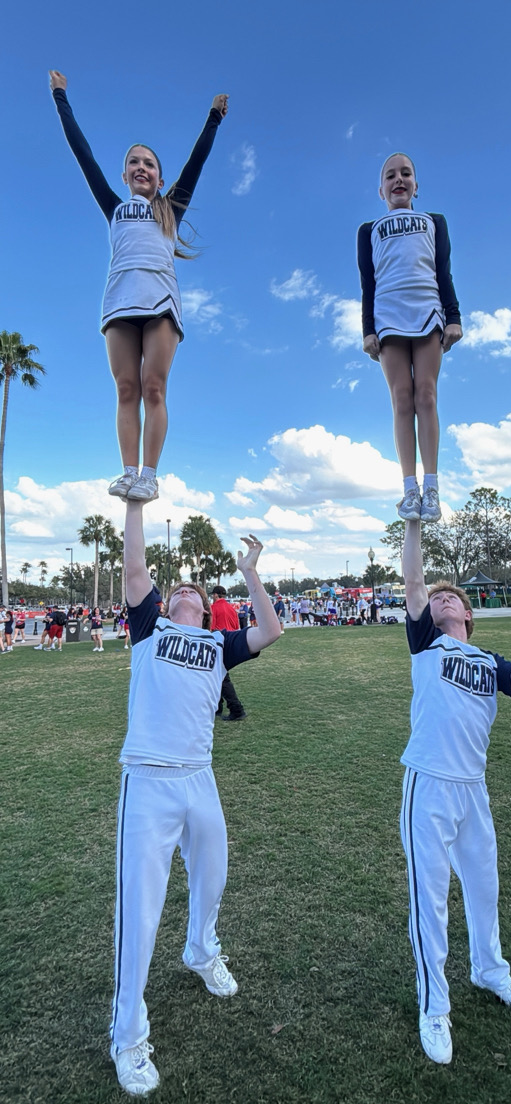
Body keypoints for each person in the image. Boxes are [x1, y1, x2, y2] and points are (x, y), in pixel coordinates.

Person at [109, 502, 280, 1095]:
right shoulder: (150, 628)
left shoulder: (216, 644)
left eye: (192, 589)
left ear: (205, 609)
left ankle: (202, 950)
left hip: (200, 777)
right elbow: (134, 570)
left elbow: (271, 630)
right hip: (149, 778)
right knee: (140, 909)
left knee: (214, 875)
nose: (182, 588)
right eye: (175, 584)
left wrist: (251, 571)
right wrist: (135, 504)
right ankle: (127, 1035)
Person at [400, 518, 511, 1065]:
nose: (442, 599)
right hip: (428, 784)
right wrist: (413, 524)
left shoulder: (489, 662)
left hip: (473, 791)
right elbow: (411, 583)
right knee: (430, 900)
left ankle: (489, 970)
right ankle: (435, 1007)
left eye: (452, 596)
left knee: (484, 887)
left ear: (469, 614)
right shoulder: (426, 641)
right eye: (437, 597)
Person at [50, 70, 228, 503]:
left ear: (160, 179)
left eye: (149, 164)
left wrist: (213, 119)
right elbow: (83, 154)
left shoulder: (169, 209)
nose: (142, 168)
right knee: (126, 387)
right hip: (118, 302)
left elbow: (196, 162)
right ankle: (128, 471)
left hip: (161, 302)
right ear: (125, 174)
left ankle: (150, 473)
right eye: (135, 162)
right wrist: (60, 98)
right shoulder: (114, 208)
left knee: (153, 386)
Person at [357, 153, 462, 523]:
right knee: (401, 398)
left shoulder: (434, 222)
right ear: (380, 188)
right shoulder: (369, 230)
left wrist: (454, 317)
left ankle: (432, 486)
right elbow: (367, 283)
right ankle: (409, 489)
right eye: (390, 175)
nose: (398, 180)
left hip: (428, 311)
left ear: (417, 183)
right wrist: (368, 328)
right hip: (388, 315)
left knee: (426, 395)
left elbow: (443, 271)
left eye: (406, 174)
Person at [210, 585, 247, 721]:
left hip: (218, 642)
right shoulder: (232, 608)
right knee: (217, 675)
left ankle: (236, 709)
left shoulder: (214, 608)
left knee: (222, 677)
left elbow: (211, 627)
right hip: (231, 642)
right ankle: (217, 707)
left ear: (216, 595)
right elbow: (236, 626)